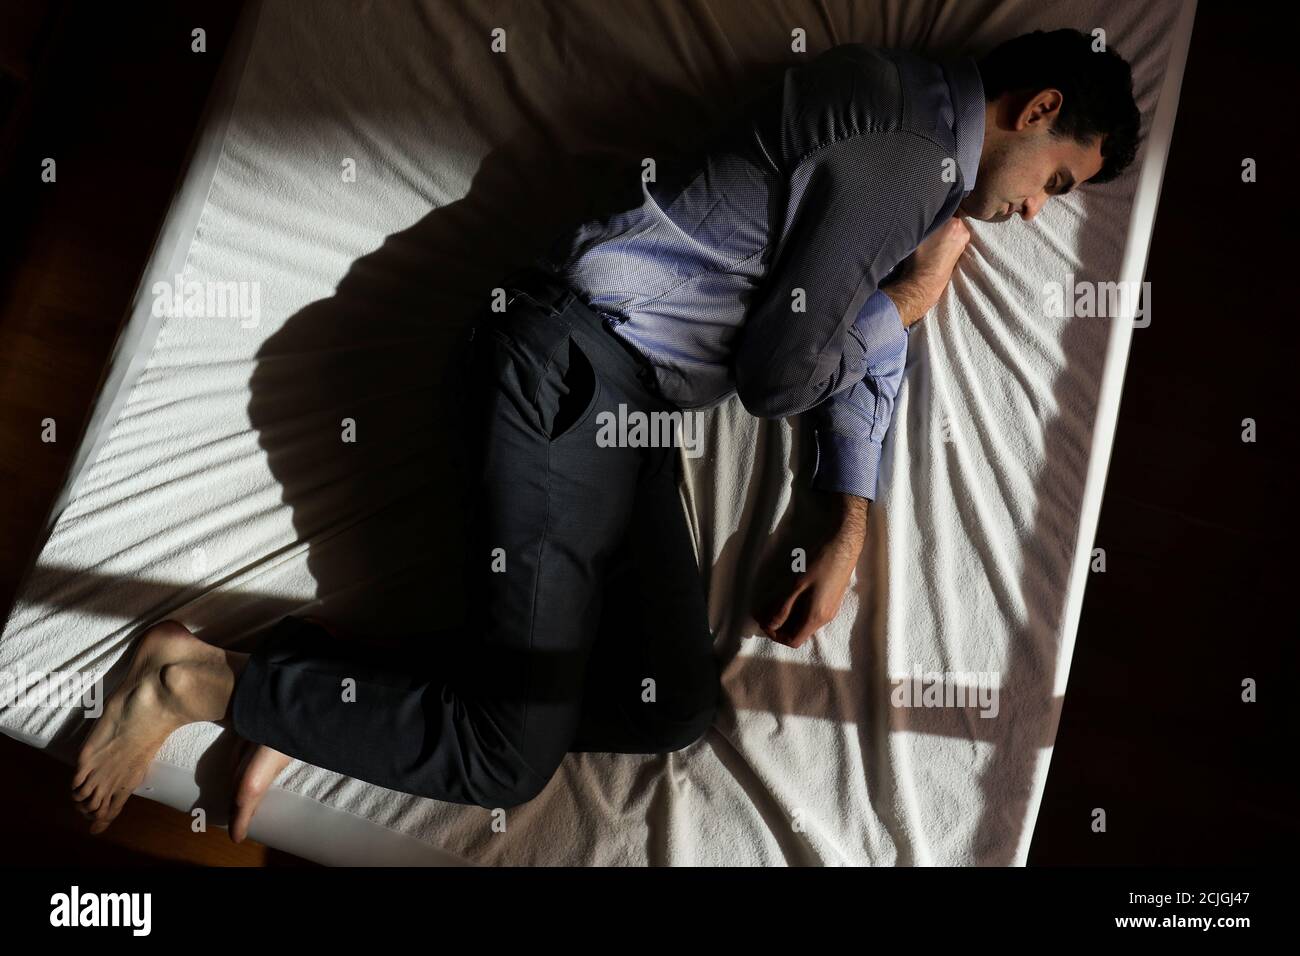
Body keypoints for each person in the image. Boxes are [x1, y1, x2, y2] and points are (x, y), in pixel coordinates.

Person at [72, 29, 1139, 839]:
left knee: (669, 701)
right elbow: (781, 373)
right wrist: (905, 303)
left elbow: (851, 335)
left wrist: (844, 513)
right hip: (569, 367)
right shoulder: (906, 151)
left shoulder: (920, 176)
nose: (1036, 212)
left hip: (620, 409)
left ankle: (318, 687)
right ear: (1036, 107)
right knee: (506, 758)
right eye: (1056, 181)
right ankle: (185, 682)